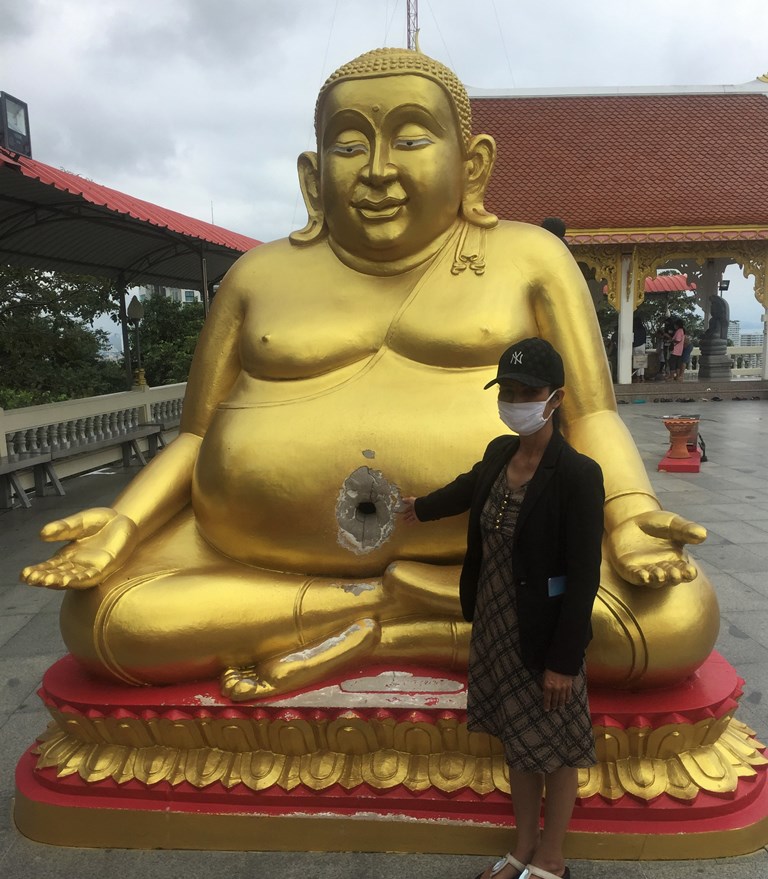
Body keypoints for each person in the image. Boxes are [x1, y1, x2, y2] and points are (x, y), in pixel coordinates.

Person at [21, 47, 717, 699]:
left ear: (472, 166)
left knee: (672, 619)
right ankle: (383, 611)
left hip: (504, 546)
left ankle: (384, 627)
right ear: (312, 175)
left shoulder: (530, 258)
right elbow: (196, 437)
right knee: (108, 619)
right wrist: (122, 526)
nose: (377, 169)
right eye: (349, 146)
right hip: (251, 553)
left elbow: (592, 414)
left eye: (411, 140)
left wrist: (630, 517)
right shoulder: (257, 277)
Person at [401, 337, 603, 879]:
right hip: (493, 626)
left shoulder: (577, 475)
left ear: (555, 398)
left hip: (545, 636)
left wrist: (564, 660)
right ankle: (522, 847)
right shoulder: (499, 453)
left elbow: (584, 575)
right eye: (507, 392)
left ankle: (555, 859)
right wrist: (416, 508)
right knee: (519, 745)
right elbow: (466, 490)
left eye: (527, 393)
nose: (515, 402)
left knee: (556, 747)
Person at [632, 312, 647, 382]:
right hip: (642, 345)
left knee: (637, 361)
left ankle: (637, 377)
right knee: (642, 361)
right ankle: (642, 376)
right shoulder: (643, 328)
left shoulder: (634, 329)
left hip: (636, 346)